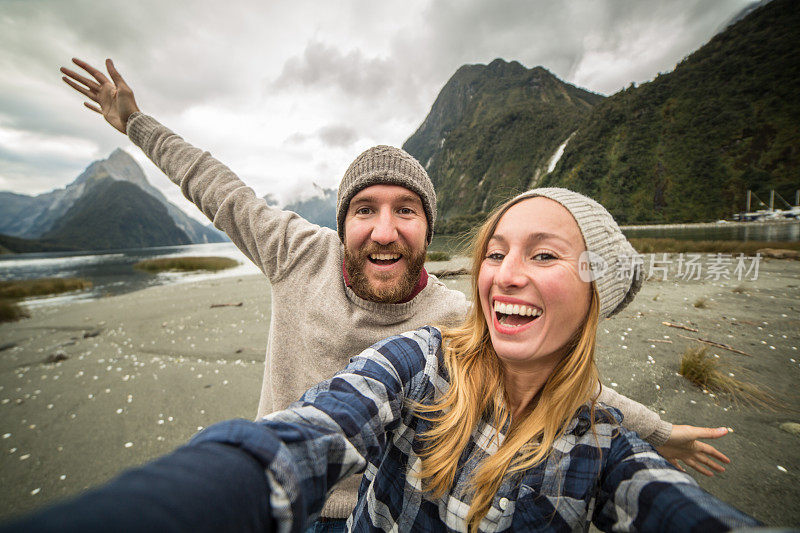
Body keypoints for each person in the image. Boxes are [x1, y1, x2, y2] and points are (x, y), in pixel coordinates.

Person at [59, 58, 731, 527]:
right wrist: (136, 124)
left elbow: (562, 380)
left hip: (380, 515)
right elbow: (214, 183)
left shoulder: (452, 314)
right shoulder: (295, 250)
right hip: (277, 500)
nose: (384, 230)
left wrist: (661, 432)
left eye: (405, 211)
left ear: (427, 226)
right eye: (365, 209)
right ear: (341, 220)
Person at [0, 188, 760, 532]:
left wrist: (658, 433)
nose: (505, 271)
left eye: (544, 253)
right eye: (494, 251)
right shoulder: (426, 357)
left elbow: (602, 415)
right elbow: (314, 431)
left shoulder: (603, 448)